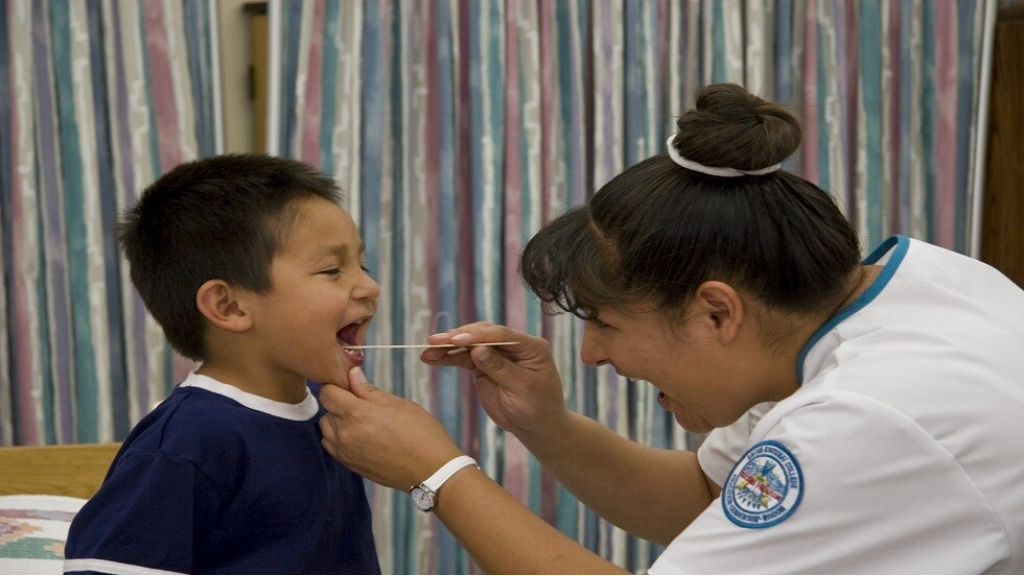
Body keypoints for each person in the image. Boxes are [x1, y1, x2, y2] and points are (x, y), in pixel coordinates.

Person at [317, 83, 1024, 574]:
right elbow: (709, 502)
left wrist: (437, 474)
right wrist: (546, 424)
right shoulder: (921, 285)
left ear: (718, 311)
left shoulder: (870, 418)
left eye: (607, 324)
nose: (592, 354)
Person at [63, 154, 382, 575]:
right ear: (228, 306)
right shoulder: (187, 443)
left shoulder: (335, 412)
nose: (370, 286)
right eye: (331, 270)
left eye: (362, 264)